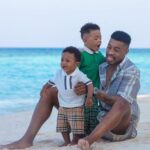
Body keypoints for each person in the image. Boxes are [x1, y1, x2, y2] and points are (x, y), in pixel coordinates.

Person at [0, 22, 104, 149]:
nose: (99, 40)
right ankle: (28, 139)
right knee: (51, 92)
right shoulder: (80, 55)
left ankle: (75, 137)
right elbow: (65, 73)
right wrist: (49, 85)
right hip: (75, 97)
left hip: (90, 101)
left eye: (100, 38)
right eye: (96, 38)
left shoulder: (100, 56)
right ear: (85, 39)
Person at [78, 31, 140, 150]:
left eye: (116, 50)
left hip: (121, 125)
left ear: (126, 51)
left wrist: (99, 94)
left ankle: (88, 141)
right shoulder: (102, 65)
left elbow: (123, 102)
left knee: (123, 102)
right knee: (52, 92)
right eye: (109, 47)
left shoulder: (132, 71)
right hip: (98, 118)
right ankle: (29, 140)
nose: (110, 52)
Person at [51, 46, 94, 146]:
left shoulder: (79, 74)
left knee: (76, 126)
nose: (63, 63)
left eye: (67, 60)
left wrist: (89, 98)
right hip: (62, 105)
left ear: (77, 64)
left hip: (76, 105)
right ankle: (67, 142)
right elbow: (50, 81)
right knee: (63, 126)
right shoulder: (59, 73)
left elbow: (90, 84)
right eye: (62, 60)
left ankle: (75, 141)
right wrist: (44, 89)